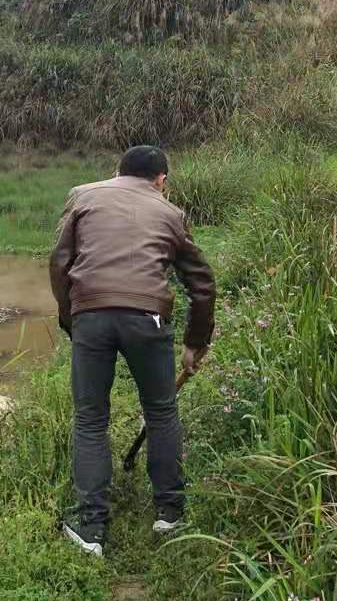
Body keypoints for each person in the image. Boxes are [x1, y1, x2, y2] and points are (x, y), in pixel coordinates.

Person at [49, 144, 215, 557]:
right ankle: (170, 512)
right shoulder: (170, 213)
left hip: (91, 314)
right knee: (161, 412)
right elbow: (202, 285)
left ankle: (91, 527)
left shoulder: (82, 195)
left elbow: (59, 263)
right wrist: (196, 344)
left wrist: (72, 317)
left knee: (90, 419)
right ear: (161, 180)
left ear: (116, 171)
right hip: (149, 319)